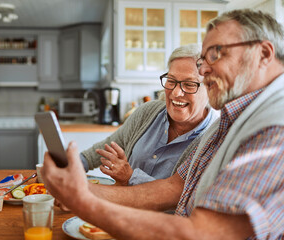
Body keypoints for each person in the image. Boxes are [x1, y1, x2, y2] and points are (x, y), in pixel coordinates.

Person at [43, 9, 284, 240]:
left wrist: (82, 200)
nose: (205, 68)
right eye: (203, 59)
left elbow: (201, 233)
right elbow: (173, 188)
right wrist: (76, 189)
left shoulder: (275, 127)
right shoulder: (229, 121)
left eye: (216, 53)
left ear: (263, 54)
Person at [81, 44, 219, 185]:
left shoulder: (215, 138)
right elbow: (108, 147)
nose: (176, 93)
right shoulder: (148, 112)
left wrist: (130, 177)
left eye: (189, 84)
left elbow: (184, 198)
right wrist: (75, 164)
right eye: (171, 81)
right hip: (121, 202)